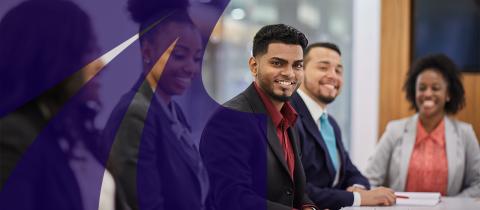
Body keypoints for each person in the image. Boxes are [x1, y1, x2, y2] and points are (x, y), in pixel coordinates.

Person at [0, 0, 115, 209]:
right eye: (89, 50)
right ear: (53, 56)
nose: (101, 64)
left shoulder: (75, 133)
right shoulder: (14, 134)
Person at [103, 0, 209, 209]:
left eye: (197, 59)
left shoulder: (173, 112)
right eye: (179, 55)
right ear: (147, 52)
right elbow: (143, 203)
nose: (191, 68)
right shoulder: (134, 115)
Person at [200, 24, 317, 210]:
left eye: (297, 65)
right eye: (277, 63)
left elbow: (294, 190)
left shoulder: (289, 118)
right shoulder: (230, 119)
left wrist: (308, 207)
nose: (289, 73)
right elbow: (232, 199)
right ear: (254, 66)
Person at [290, 42, 396, 210]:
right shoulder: (288, 116)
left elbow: (350, 171)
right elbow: (294, 189)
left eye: (338, 70)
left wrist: (358, 187)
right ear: (301, 71)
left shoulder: (330, 123)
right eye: (323, 68)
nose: (333, 76)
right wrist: (357, 198)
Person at [365, 53, 480, 197]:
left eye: (436, 88)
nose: (427, 93)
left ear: (448, 94)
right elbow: (370, 178)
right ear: (414, 92)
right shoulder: (395, 130)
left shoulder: (465, 133)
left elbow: (478, 183)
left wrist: (453, 204)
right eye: (422, 88)